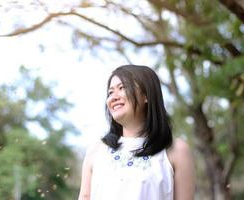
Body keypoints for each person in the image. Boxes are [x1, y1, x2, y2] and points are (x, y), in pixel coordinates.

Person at [78, 65, 195, 200]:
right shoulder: (97, 150)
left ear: (146, 95)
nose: (113, 97)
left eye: (122, 88)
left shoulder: (176, 150)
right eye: (110, 92)